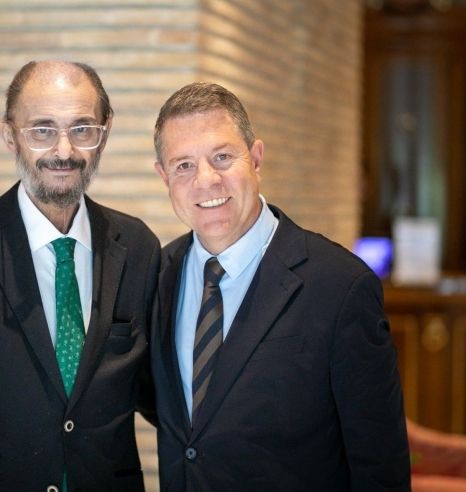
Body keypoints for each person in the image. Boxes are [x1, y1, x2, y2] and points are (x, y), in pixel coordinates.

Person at [0, 60, 160, 491]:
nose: (64, 151)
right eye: (42, 130)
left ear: (105, 132)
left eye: (82, 129)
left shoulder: (138, 247)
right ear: (9, 135)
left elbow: (158, 391)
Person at [150, 82, 411, 491]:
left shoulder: (341, 286)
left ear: (256, 159)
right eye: (183, 165)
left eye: (222, 157)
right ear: (164, 176)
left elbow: (380, 465)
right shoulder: (157, 276)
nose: (206, 180)